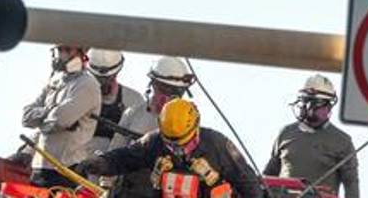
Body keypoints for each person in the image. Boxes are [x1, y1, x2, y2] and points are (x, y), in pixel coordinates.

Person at [79, 98, 264, 198]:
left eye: (185, 144)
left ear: (196, 127)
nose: (179, 150)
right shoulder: (154, 142)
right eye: (171, 145)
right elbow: (126, 157)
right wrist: (101, 163)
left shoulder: (218, 145)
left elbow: (247, 183)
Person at [105, 55, 196, 197]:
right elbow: (114, 154)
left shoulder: (189, 123)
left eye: (174, 94)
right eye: (162, 90)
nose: (166, 99)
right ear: (152, 85)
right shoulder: (134, 114)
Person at [264, 74, 359, 198]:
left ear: (328, 106)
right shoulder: (286, 133)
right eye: (304, 100)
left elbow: (351, 185)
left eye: (311, 102)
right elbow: (269, 176)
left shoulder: (342, 141)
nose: (305, 106)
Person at [21, 44, 101, 188]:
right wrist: (50, 112)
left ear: (81, 54)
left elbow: (59, 121)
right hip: (40, 168)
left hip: (67, 170)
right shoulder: (55, 81)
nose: (61, 54)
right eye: (59, 49)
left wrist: (41, 117)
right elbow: (26, 117)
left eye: (68, 50)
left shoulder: (87, 84)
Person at [85, 49, 145, 156]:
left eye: (108, 78)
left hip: (114, 166)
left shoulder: (134, 100)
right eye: (97, 78)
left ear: (117, 73)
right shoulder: (75, 97)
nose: (102, 84)